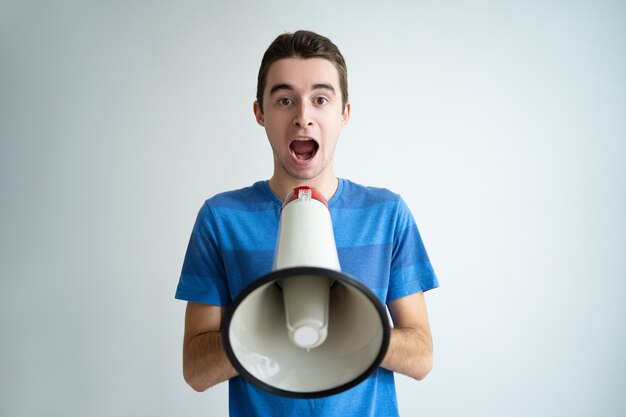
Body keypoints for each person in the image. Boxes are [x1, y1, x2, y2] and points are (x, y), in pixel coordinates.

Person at [175, 30, 439, 417]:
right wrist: (266, 332)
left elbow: (422, 357)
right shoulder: (221, 219)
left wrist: (354, 335)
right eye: (285, 100)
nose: (303, 117)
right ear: (260, 113)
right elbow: (195, 371)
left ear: (344, 113)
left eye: (321, 99)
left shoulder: (387, 214)